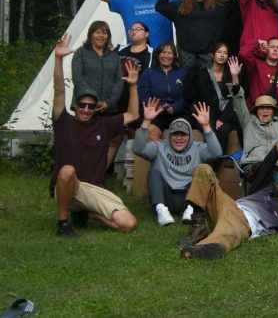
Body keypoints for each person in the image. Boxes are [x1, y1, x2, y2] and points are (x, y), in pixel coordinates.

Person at [180, 129, 278, 260]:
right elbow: (268, 164)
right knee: (203, 169)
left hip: (242, 222)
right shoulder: (265, 188)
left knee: (228, 235)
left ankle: (202, 249)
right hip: (228, 205)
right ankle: (199, 226)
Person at [51, 35, 139, 238]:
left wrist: (133, 86)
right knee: (66, 171)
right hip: (70, 187)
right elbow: (58, 91)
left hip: (93, 190)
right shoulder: (64, 122)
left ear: (96, 107)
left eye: (91, 106)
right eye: (81, 105)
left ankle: (89, 214)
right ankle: (63, 223)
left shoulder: (104, 124)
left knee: (129, 224)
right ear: (75, 105)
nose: (85, 109)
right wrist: (58, 59)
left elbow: (133, 114)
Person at [134, 99, 222, 226]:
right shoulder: (159, 147)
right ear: (169, 136)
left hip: (189, 198)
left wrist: (206, 126)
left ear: (190, 136)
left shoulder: (198, 148)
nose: (179, 138)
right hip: (166, 197)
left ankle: (191, 211)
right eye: (175, 134)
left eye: (183, 134)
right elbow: (138, 149)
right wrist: (146, 122)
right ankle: (161, 212)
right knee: (153, 173)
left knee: (204, 171)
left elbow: (217, 153)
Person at [228, 56, 278, 192]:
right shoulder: (248, 122)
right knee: (270, 177)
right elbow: (238, 101)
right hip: (253, 164)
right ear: (256, 111)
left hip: (277, 165)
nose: (265, 110)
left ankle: (268, 203)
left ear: (274, 112)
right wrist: (235, 77)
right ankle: (264, 201)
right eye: (262, 108)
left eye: (269, 108)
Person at [156, 0, 239, 68]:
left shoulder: (217, 6)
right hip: (187, 53)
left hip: (209, 52)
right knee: (187, 81)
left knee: (209, 81)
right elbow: (160, 6)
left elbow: (236, 4)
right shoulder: (181, 7)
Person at [71, 20, 124, 168]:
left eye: (105, 33)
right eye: (98, 32)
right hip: (85, 106)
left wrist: (109, 102)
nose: (101, 36)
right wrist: (92, 101)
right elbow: (78, 77)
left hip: (108, 107)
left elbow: (119, 82)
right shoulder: (81, 53)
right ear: (91, 34)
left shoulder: (114, 57)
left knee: (114, 137)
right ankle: (80, 170)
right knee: (83, 138)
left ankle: (100, 171)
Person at [183, 43, 242, 155]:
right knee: (211, 130)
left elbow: (236, 98)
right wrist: (215, 119)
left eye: (225, 53)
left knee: (223, 130)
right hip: (207, 112)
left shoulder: (231, 73)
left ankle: (218, 160)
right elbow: (205, 97)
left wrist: (223, 118)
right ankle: (212, 164)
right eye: (219, 52)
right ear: (212, 55)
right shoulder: (203, 73)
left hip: (226, 114)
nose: (222, 55)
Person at [137, 41, 188, 141]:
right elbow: (143, 97)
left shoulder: (183, 73)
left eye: (169, 53)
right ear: (158, 54)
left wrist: (175, 107)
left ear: (174, 56)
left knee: (181, 134)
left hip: (177, 113)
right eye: (163, 52)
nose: (166, 56)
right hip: (155, 114)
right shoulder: (148, 73)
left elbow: (188, 96)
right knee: (151, 132)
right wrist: (159, 106)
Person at [237, 37, 278, 108]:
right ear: (266, 49)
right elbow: (243, 54)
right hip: (256, 113)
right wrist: (257, 42)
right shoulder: (256, 64)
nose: (275, 49)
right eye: (272, 47)